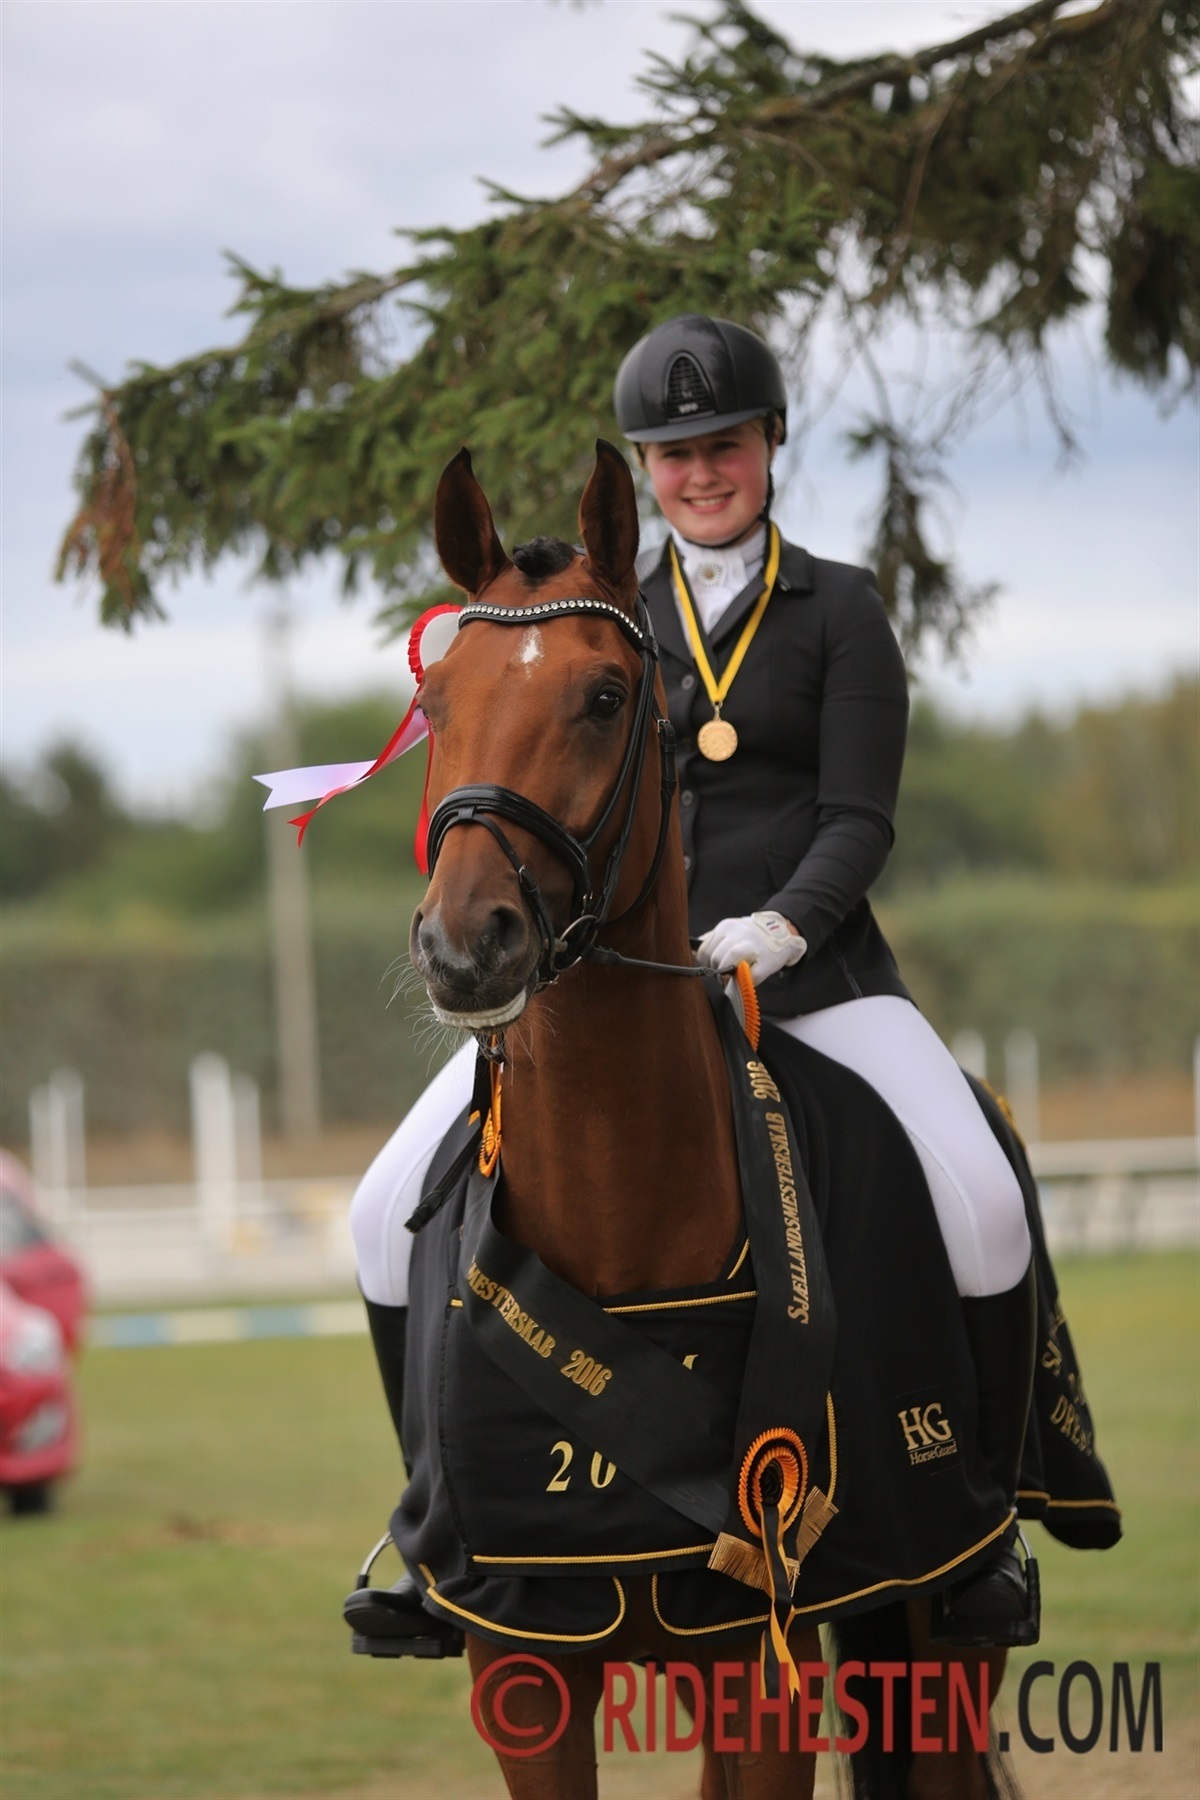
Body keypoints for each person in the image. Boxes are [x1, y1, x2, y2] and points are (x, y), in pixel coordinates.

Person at [343, 314, 1037, 1654]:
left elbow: (860, 815)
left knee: (985, 1200)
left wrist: (786, 925)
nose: (702, 473)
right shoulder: (602, 611)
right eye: (674, 454)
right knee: (382, 1214)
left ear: (770, 445)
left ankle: (978, 1531)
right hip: (616, 980)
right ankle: (434, 1529)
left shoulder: (840, 608)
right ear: (645, 473)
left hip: (815, 975)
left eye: (724, 445)